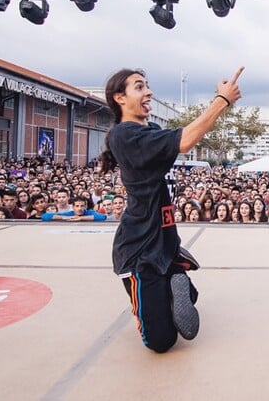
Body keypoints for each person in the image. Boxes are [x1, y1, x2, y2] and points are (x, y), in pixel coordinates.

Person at [98, 66, 243, 353]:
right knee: (161, 342)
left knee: (178, 314)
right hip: (139, 251)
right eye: (139, 87)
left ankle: (175, 283)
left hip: (163, 239)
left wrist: (219, 101)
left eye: (147, 85)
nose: (148, 91)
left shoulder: (148, 131)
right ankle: (162, 291)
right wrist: (221, 100)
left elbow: (186, 136)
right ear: (120, 98)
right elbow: (186, 139)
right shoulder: (125, 135)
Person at [41, 195, 107, 221]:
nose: (79, 208)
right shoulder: (69, 214)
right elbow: (45, 216)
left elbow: (103, 217)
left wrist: (81, 218)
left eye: (82, 206)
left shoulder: (89, 212)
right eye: (77, 206)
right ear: (73, 207)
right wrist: (64, 217)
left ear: (85, 206)